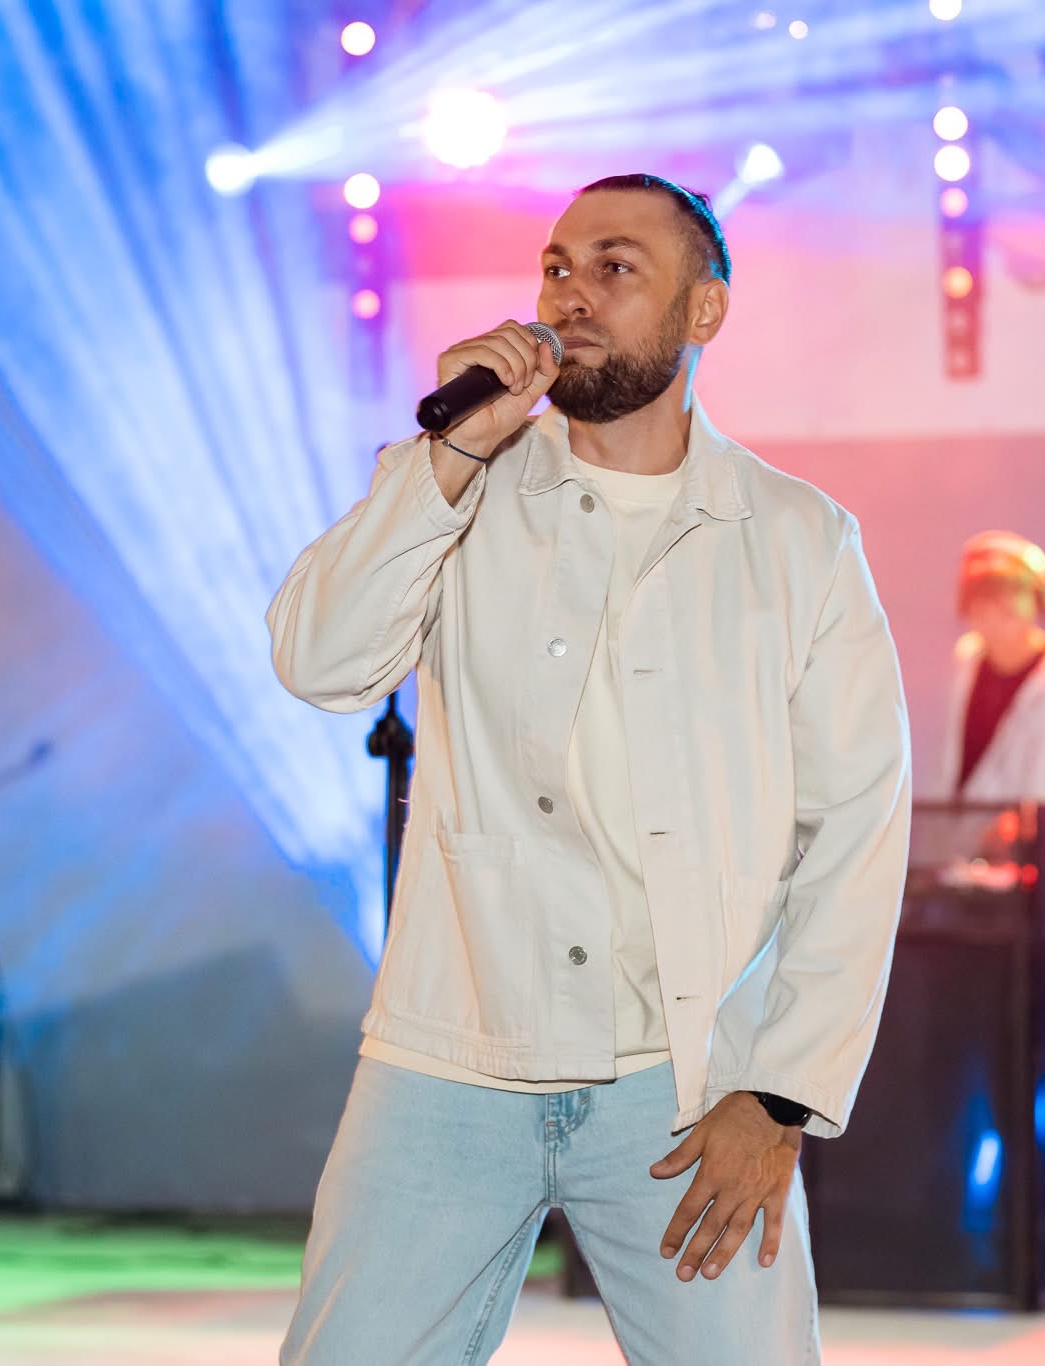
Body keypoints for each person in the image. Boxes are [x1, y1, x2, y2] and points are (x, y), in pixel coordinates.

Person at [266, 173, 912, 1364]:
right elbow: (318, 659)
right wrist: (448, 453)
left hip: (684, 1083)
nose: (570, 294)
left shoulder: (796, 538)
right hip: (451, 1054)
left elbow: (857, 829)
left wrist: (777, 1093)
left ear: (702, 310)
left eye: (615, 268)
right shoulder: (457, 481)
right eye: (557, 267)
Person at [938, 531, 1045, 802]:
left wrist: (1012, 825)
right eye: (981, 596)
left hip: (1027, 831)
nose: (992, 609)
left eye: (1007, 596)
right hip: (955, 828)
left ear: (1038, 602)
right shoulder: (966, 662)